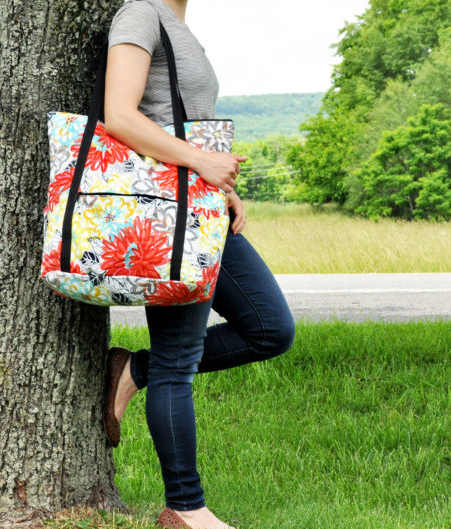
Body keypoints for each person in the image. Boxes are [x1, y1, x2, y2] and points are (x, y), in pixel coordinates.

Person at [102, 1, 296, 527]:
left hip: (201, 205)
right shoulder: (140, 14)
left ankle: (132, 369)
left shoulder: (177, 23)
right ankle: (186, 508)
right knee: (178, 359)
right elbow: (119, 114)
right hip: (171, 215)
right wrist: (202, 163)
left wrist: (220, 186)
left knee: (271, 329)